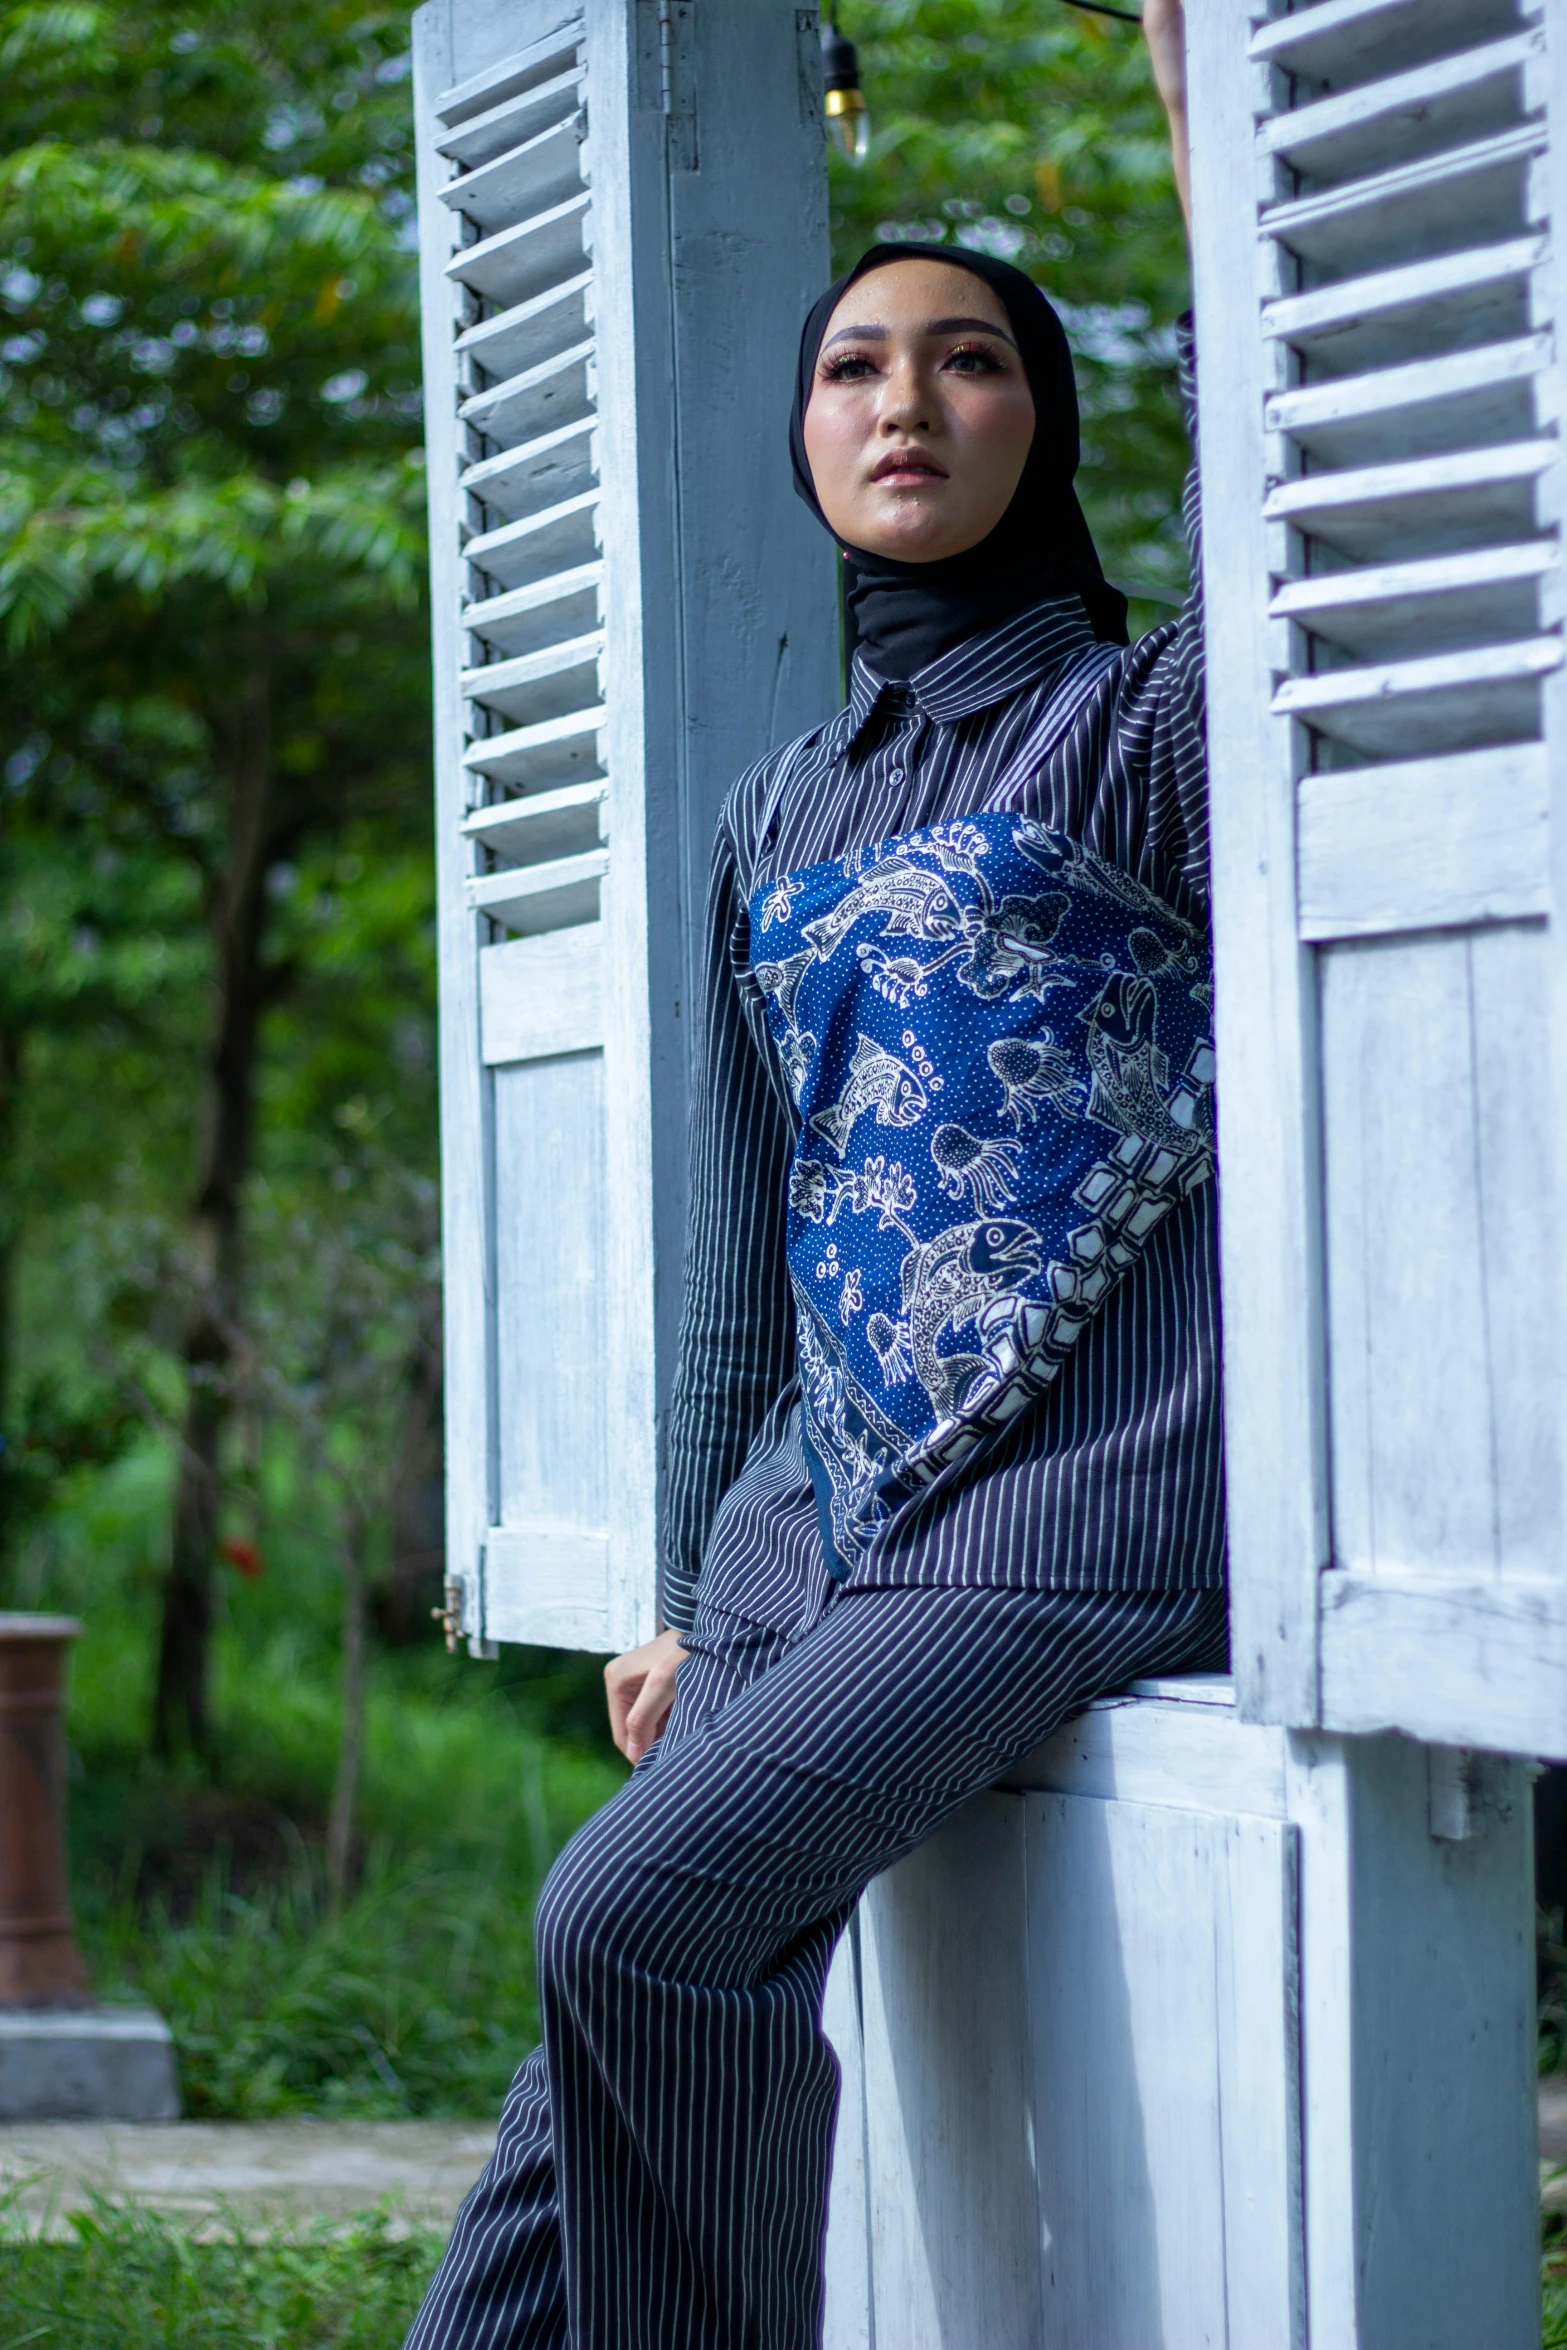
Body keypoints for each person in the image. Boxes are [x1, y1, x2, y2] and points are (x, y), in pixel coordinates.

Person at [407, 5, 1210, 2343]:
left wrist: (1197, 119)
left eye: (970, 362)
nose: (904, 403)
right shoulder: (785, 801)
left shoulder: (1142, 722)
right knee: (572, 2109)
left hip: (1077, 1513)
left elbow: (1317, 509)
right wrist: (691, 1572)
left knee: (627, 1924)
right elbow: (747, 1252)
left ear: (1038, 415)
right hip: (812, 1529)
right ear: (799, 433)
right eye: (855, 365)